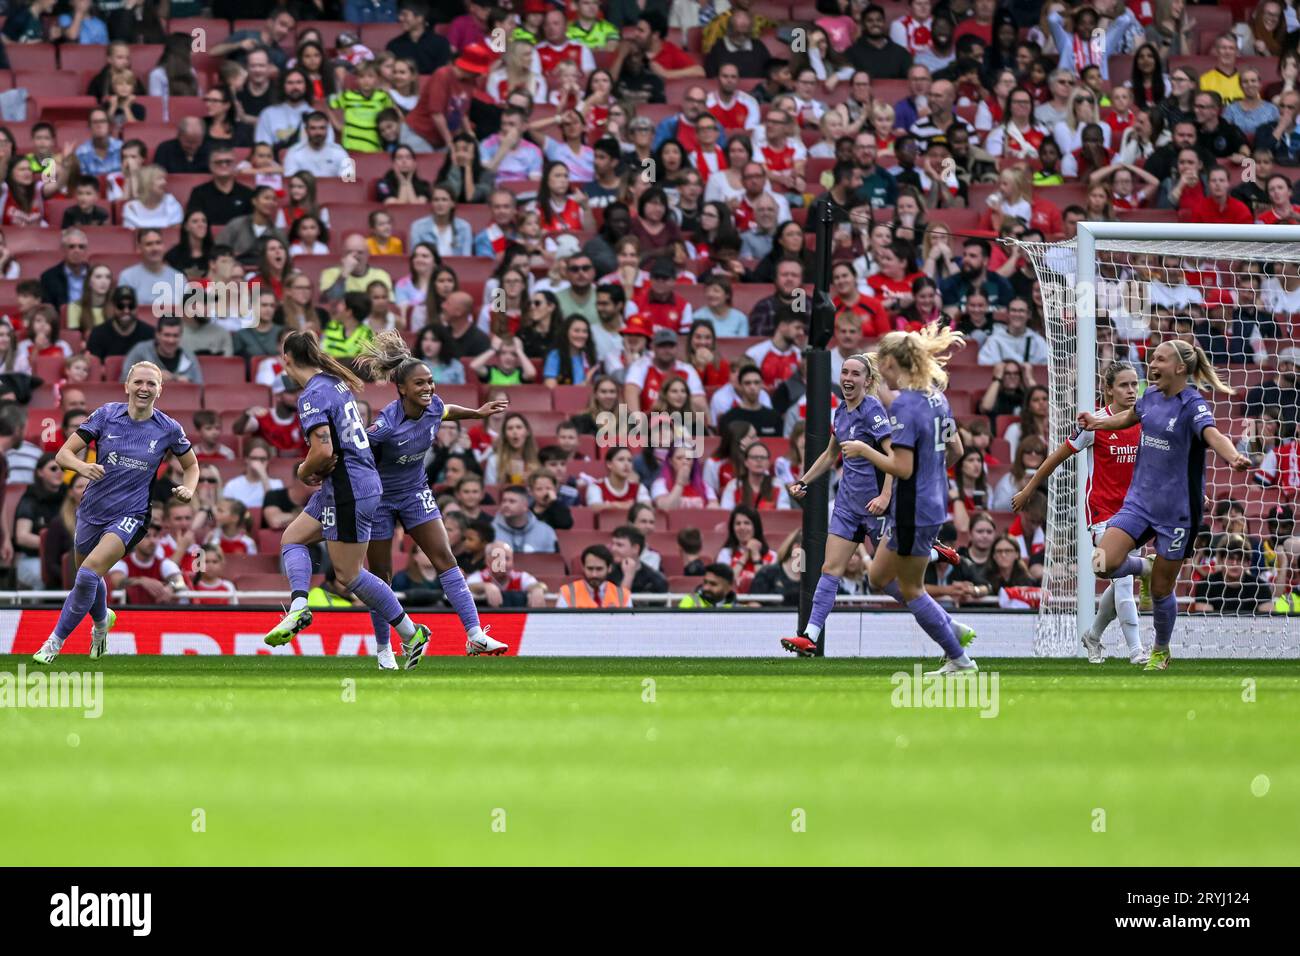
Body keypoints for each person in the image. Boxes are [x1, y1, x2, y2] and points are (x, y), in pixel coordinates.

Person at [262, 330, 434, 663]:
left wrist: (301, 471)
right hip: (349, 483)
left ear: (286, 359)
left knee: (350, 575)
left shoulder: (312, 394)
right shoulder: (333, 382)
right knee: (293, 539)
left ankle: (413, 634)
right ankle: (299, 607)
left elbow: (323, 450)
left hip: (349, 488)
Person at [780, 351, 965, 656]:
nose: (848, 379)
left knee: (891, 582)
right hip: (847, 506)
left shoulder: (874, 411)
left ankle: (933, 557)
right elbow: (830, 455)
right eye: (845, 373)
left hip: (876, 507)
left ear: (868, 381)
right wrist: (804, 481)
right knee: (831, 568)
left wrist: (885, 496)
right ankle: (810, 635)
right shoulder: (839, 411)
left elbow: (896, 458)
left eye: (855, 374)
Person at [1083, 340, 1252, 671]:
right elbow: (1130, 417)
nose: (1152, 363)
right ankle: (1142, 568)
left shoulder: (1192, 404)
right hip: (1139, 503)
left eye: (1159, 358)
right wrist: (1097, 422)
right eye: (1152, 357)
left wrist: (1233, 457)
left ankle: (1160, 649)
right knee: (1102, 562)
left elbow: (1214, 435)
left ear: (1179, 368)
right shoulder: (1148, 396)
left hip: (1176, 513)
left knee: (1161, 591)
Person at [352, 331, 510, 666]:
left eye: (431, 381)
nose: (429, 388)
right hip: (379, 500)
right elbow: (358, 451)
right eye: (421, 384)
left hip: (414, 493)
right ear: (402, 389)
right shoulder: (385, 426)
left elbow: (447, 410)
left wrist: (478, 414)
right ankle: (384, 650)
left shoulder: (434, 406)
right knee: (380, 576)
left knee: (445, 559)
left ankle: (475, 635)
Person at [32, 361, 200, 664]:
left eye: (151, 384)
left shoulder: (169, 428)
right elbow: (63, 454)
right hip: (92, 510)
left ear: (160, 390)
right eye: (138, 382)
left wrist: (189, 489)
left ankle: (53, 643)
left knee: (86, 573)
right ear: (127, 386)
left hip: (131, 515)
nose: (144, 388)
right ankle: (100, 625)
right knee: (89, 579)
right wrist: (84, 466)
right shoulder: (106, 414)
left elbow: (191, 466)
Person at [1011, 362, 1147, 663]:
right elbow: (1056, 457)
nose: (1130, 390)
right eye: (1123, 385)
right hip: (1103, 514)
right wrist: (1029, 489)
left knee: (1120, 577)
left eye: (1134, 384)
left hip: (1136, 512)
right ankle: (1137, 650)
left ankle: (1093, 635)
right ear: (1108, 389)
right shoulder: (1095, 424)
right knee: (1124, 581)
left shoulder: (1143, 420)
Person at [864, 325, 978, 674]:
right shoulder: (936, 397)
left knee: (913, 590)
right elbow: (956, 449)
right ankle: (949, 625)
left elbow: (901, 466)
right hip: (930, 501)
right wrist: (932, 475)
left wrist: (862, 450)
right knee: (878, 577)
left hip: (913, 509)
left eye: (880, 361)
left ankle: (959, 658)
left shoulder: (906, 406)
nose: (878, 370)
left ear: (889, 362)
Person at [556, 544, 632, 608]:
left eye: (599, 569)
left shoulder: (623, 595)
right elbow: (560, 624)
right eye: (590, 568)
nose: (594, 574)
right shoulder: (567, 592)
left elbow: (628, 624)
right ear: (583, 567)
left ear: (609, 568)